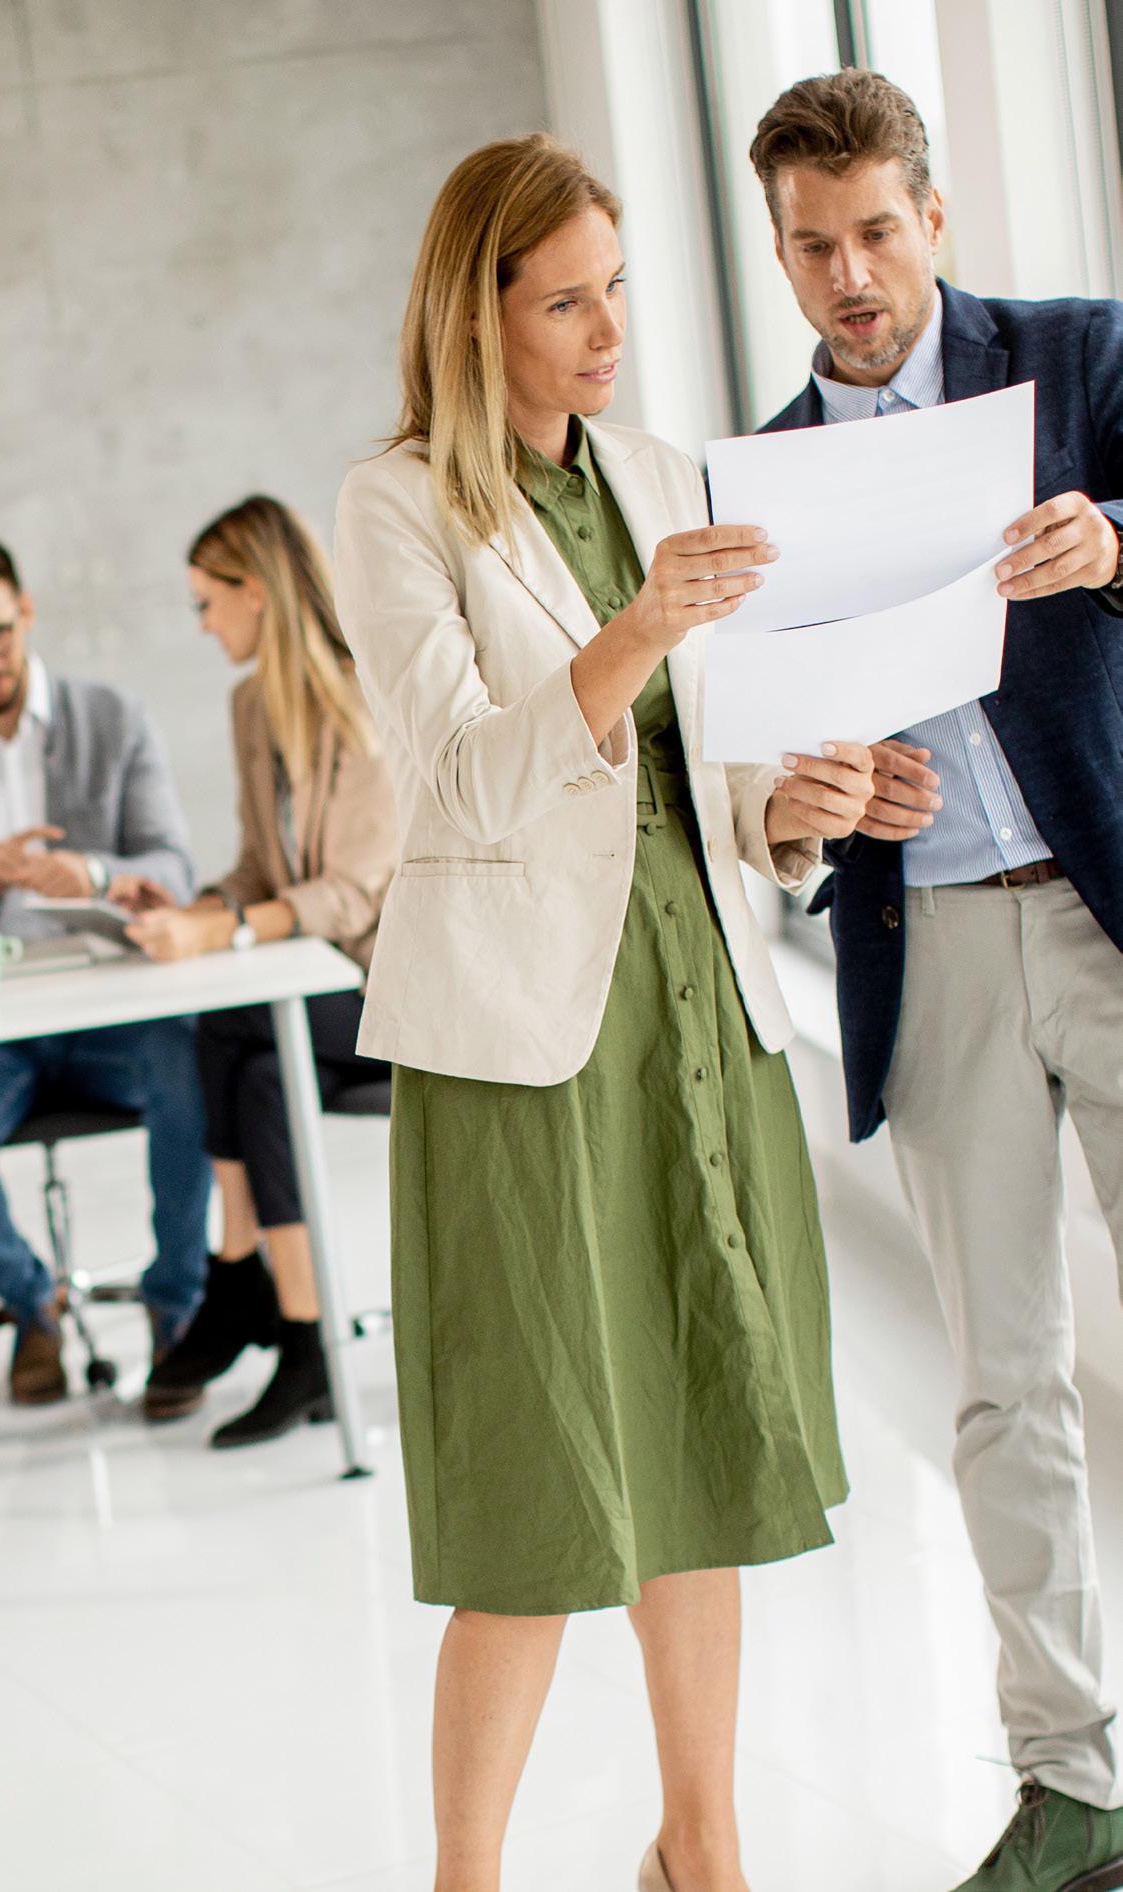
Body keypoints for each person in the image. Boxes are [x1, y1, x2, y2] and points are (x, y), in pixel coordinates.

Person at [334, 136, 876, 1892]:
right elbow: (459, 782)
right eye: (565, 302)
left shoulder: (659, 473)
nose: (607, 331)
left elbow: (712, 773)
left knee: (700, 1445)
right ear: (473, 315)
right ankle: (465, 1877)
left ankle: (700, 1848)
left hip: (693, 1009)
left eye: (617, 290)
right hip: (523, 1048)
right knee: (536, 1475)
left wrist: (799, 810)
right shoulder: (395, 505)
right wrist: (638, 628)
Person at [748, 70, 1123, 1891]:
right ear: (779, 253)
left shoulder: (1075, 358)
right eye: (813, 246)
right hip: (937, 946)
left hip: (1106, 915)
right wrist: (825, 801)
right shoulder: (763, 482)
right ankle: (1076, 1784)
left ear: (933, 219)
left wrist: (1116, 543)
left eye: (876, 234)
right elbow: (758, 765)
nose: (850, 277)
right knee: (1004, 1391)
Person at [0, 533, 208, 1404]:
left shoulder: (114, 719)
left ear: (25, 611)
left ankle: (179, 1307)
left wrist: (93, 874)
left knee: (193, 1067)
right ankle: (31, 1302)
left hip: (111, 1005)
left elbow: (175, 869)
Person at [118, 495, 397, 1446]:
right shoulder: (252, 708)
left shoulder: (365, 696)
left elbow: (350, 894)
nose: (202, 625)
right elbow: (256, 871)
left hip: (387, 990)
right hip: (312, 994)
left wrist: (220, 935)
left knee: (228, 1019)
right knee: (264, 1079)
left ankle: (235, 1270)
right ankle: (305, 1339)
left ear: (256, 593)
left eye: (206, 603)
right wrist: (190, 912)